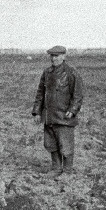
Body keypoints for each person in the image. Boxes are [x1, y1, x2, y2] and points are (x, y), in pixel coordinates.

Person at [31, 45, 84, 177]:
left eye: (57, 56)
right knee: (51, 144)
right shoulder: (47, 73)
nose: (54, 59)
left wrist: (72, 110)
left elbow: (77, 95)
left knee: (66, 146)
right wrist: (37, 112)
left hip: (64, 117)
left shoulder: (71, 73)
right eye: (52, 56)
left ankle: (67, 171)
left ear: (64, 56)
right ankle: (56, 168)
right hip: (49, 116)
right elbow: (40, 93)